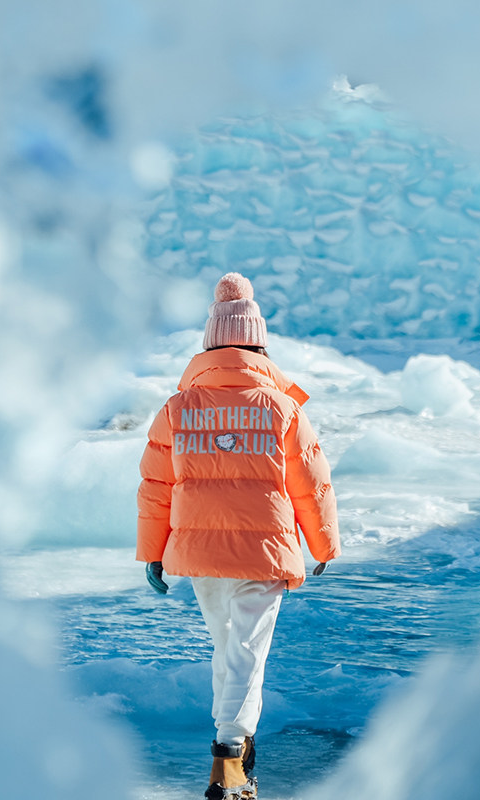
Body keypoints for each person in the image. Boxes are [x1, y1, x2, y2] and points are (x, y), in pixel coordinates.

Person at [136, 272, 341, 800]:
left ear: (210, 346)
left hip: (200, 552)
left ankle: (237, 755)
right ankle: (229, 756)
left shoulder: (176, 409)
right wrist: (323, 545)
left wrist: (153, 552)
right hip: (264, 551)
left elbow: (156, 487)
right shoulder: (282, 408)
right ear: (259, 346)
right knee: (246, 650)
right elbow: (311, 482)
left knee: (227, 646)